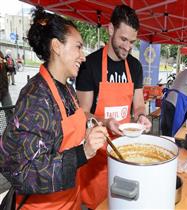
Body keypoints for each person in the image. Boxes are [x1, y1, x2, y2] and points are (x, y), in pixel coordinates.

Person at [0, 7, 108, 209]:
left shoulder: (66, 88)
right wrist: (82, 152)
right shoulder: (35, 98)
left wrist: (90, 130)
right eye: (78, 47)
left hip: (70, 201)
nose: (83, 56)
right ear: (57, 46)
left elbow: (60, 138)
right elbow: (22, 171)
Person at [75, 4, 151, 209]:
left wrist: (143, 116)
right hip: (96, 156)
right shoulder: (89, 65)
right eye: (123, 39)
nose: (127, 47)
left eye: (132, 42)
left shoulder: (134, 67)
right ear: (110, 29)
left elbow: (138, 106)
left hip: (123, 152)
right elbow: (82, 113)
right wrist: (106, 122)